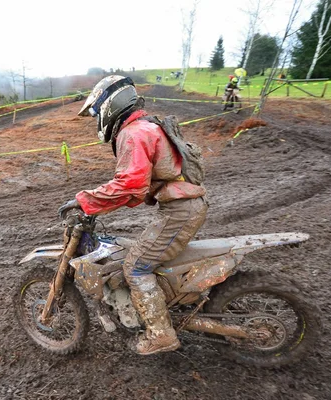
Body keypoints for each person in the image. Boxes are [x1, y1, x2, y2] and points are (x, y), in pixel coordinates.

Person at [58, 76, 208, 355]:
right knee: (142, 253)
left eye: (96, 113)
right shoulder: (146, 126)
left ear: (108, 106)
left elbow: (131, 185)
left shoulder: (134, 133)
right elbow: (134, 187)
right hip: (182, 207)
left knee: (136, 266)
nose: (96, 120)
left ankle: (161, 334)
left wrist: (84, 200)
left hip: (179, 211)